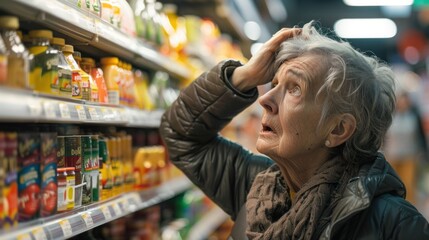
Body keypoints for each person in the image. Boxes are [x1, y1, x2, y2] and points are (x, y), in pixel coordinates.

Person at [159, 22, 429, 239]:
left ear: (338, 129)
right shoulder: (255, 189)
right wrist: (243, 77)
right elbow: (181, 134)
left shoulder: (396, 226)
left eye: (294, 89)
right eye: (273, 84)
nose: (264, 100)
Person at [383, 90, 428, 205]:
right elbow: (384, 136)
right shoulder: (390, 117)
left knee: (409, 184)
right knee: (392, 184)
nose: (403, 103)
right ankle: (393, 207)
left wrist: (423, 152)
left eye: (405, 101)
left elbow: (420, 135)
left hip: (410, 156)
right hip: (392, 156)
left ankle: (409, 208)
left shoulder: (414, 116)